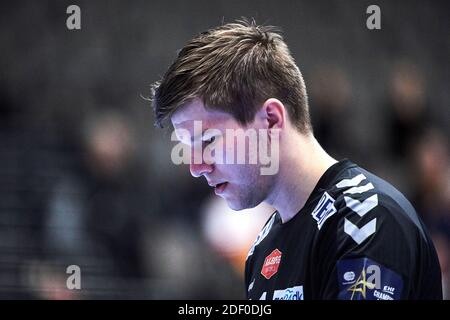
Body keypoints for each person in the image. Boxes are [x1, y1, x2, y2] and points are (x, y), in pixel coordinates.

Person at [149, 19, 442, 300]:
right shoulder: (263, 249)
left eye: (207, 140)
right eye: (188, 148)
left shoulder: (367, 222)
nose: (196, 167)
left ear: (271, 120)